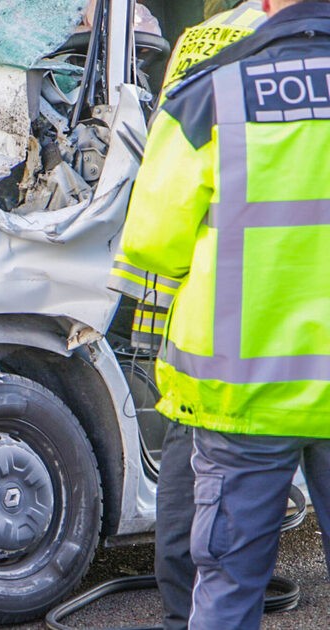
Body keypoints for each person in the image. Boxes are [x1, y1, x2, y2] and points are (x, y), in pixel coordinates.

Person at [121, 0, 330, 627]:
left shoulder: (212, 85)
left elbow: (151, 242)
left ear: (266, 6)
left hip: (245, 390)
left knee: (228, 586)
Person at [110, 4, 265, 628]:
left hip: (202, 306)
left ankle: (185, 610)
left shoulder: (201, 38)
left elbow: (161, 205)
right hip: (291, 321)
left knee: (187, 445)